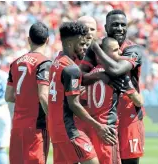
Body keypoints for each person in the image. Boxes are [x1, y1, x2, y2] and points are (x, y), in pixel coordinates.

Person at [80, 9, 145, 164]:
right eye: (115, 25)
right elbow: (80, 78)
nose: (120, 28)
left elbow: (117, 70)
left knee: (129, 161)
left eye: (123, 25)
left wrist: (97, 50)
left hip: (128, 115)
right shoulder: (95, 49)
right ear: (106, 27)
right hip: (104, 118)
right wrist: (98, 76)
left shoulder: (133, 49)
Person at [48, 21, 116, 164]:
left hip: (55, 128)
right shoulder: (71, 68)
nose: (85, 48)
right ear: (71, 42)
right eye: (82, 44)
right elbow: (74, 104)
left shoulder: (56, 62)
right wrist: (99, 127)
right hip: (69, 129)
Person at [5, 22, 51, 164]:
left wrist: (25, 97)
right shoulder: (44, 63)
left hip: (18, 125)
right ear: (48, 40)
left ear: (28, 39)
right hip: (36, 126)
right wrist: (55, 118)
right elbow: (43, 95)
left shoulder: (15, 63)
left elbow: (9, 96)